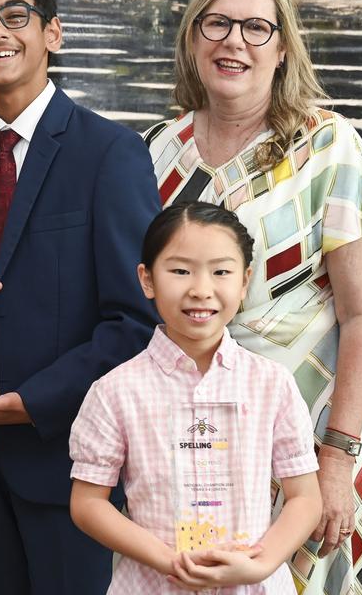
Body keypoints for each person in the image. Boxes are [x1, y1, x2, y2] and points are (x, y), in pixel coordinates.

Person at [0, 0, 160, 595]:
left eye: (15, 16)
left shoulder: (111, 153)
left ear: (53, 33)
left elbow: (136, 322)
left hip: (72, 455)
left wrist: (33, 404)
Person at [143, 0, 362, 594]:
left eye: (256, 27)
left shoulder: (329, 145)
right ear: (193, 37)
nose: (234, 42)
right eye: (217, 24)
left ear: (282, 47)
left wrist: (337, 456)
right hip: (193, 449)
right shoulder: (154, 153)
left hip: (309, 445)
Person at [70, 201, 323, 593]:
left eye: (221, 271)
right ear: (147, 279)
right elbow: (88, 503)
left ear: (244, 281)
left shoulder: (272, 383)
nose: (200, 289)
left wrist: (262, 564)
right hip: (153, 584)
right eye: (180, 271)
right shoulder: (115, 391)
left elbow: (305, 498)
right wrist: (168, 560)